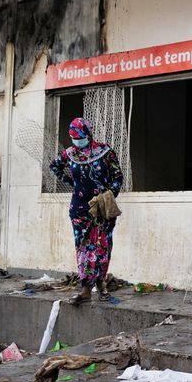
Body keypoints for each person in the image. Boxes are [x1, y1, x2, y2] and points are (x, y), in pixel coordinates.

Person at [50, 118, 124, 306]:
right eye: (73, 138)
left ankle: (101, 283)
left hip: (101, 208)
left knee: (102, 246)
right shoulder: (69, 154)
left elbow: (118, 176)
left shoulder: (105, 151)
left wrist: (108, 195)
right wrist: (71, 183)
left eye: (80, 137)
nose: (77, 141)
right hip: (79, 209)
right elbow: (54, 166)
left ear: (88, 135)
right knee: (83, 247)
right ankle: (85, 290)